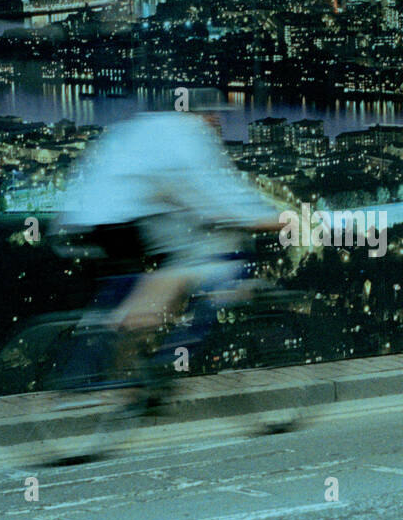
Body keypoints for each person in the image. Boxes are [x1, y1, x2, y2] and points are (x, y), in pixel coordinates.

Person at [50, 109, 284, 406]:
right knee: (158, 289)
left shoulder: (161, 128)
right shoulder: (189, 136)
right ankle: (89, 377)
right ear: (200, 115)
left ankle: (136, 383)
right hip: (118, 215)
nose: (217, 124)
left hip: (94, 212)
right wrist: (267, 219)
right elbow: (213, 194)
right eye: (212, 116)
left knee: (154, 287)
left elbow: (188, 193)